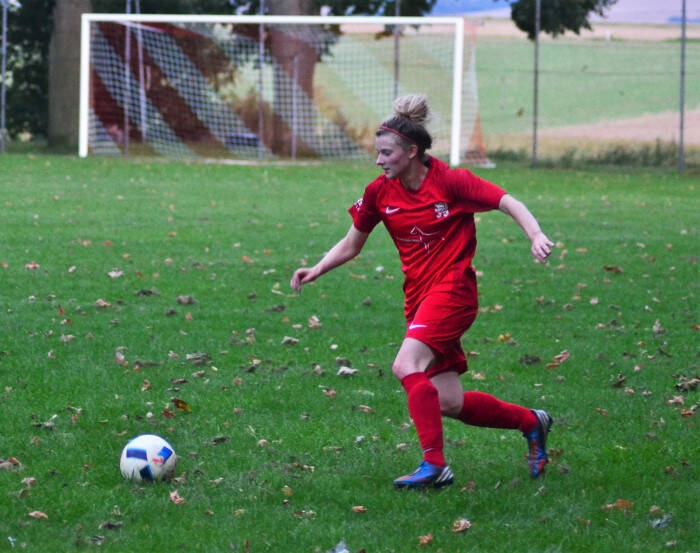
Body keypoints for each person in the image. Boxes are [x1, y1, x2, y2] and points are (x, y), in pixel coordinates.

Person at [290, 94, 555, 490]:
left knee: (405, 365)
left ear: (411, 151)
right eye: (377, 153)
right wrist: (317, 268)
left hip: (453, 292)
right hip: (418, 299)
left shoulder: (451, 182)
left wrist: (535, 235)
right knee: (448, 401)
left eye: (386, 153)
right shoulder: (379, 192)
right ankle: (531, 422)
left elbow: (507, 202)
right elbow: (351, 243)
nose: (379, 161)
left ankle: (435, 465)